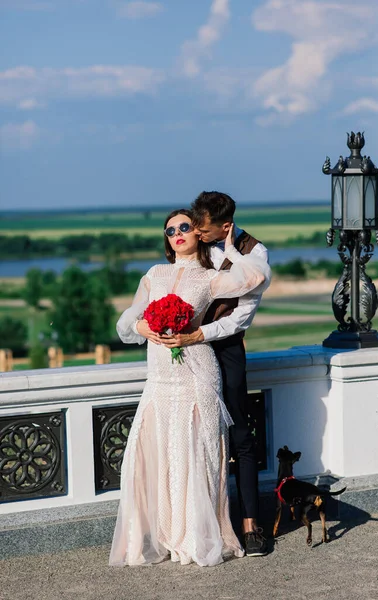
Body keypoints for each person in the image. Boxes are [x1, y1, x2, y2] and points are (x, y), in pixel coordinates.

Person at [109, 208, 271, 568]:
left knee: (197, 450)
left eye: (185, 227)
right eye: (170, 230)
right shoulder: (154, 275)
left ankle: (198, 534)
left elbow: (256, 276)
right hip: (160, 377)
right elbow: (125, 320)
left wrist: (230, 247)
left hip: (197, 369)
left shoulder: (212, 276)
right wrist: (141, 329)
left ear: (199, 233)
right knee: (161, 449)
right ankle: (166, 532)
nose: (178, 233)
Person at [161, 192, 270, 557]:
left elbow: (241, 316)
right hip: (189, 350)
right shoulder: (198, 240)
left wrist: (199, 334)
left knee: (240, 433)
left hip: (225, 348)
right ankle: (198, 525)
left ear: (225, 227)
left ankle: (250, 526)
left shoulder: (254, 252)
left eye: (202, 230)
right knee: (194, 435)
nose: (195, 234)